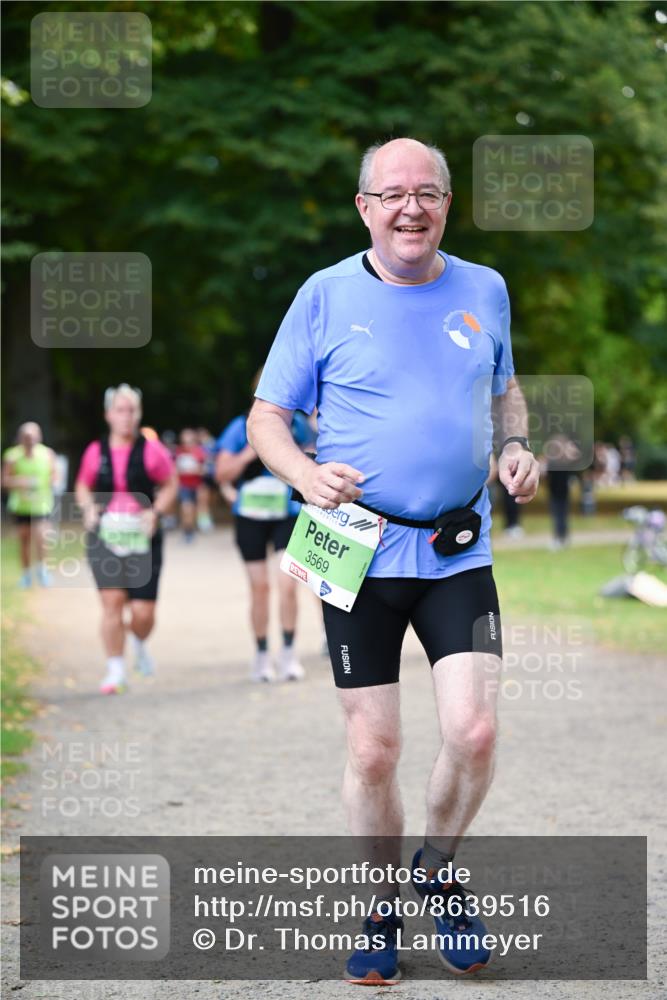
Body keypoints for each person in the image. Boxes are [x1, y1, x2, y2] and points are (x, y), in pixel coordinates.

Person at [248, 138, 540, 984]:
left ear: (448, 203)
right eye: (392, 194)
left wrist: (513, 443)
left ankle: (437, 870)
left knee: (474, 731)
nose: (410, 207)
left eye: (428, 193)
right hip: (352, 546)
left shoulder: (484, 288)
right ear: (364, 206)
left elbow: (503, 386)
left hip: (456, 545)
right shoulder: (323, 295)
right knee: (373, 750)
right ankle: (377, 908)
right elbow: (268, 416)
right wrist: (304, 476)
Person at [75, 385, 177, 694]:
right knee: (112, 604)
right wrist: (88, 507)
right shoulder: (96, 451)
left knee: (143, 613)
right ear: (108, 414)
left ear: (139, 414)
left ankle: (138, 641)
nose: (126, 417)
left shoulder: (152, 451)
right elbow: (82, 485)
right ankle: (115, 671)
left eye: (131, 410)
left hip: (144, 538)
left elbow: (170, 484)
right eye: (120, 410)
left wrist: (156, 511)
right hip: (106, 536)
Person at [216, 375, 309, 683]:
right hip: (251, 516)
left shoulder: (297, 424)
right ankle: (260, 655)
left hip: (286, 513)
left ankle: (288, 654)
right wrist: (252, 450)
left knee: (288, 585)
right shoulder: (240, 426)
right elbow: (221, 472)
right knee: (259, 588)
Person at [2, 422, 56, 588]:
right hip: (20, 507)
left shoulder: (47, 454)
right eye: (26, 437)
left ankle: (43, 570)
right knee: (24, 541)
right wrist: (19, 482)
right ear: (20, 438)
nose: (30, 440)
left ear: (39, 437)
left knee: (41, 538)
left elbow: (55, 477)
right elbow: (4, 481)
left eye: (33, 436)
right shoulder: (12, 456)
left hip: (41, 505)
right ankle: (26, 575)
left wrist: (44, 484)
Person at [175, 428, 207, 543]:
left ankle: (196, 527)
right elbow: (174, 470)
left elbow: (204, 469)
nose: (187, 442)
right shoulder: (179, 451)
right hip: (184, 486)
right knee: (186, 509)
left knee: (196, 509)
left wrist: (194, 470)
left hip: (197, 485)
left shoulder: (199, 451)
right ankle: (187, 531)